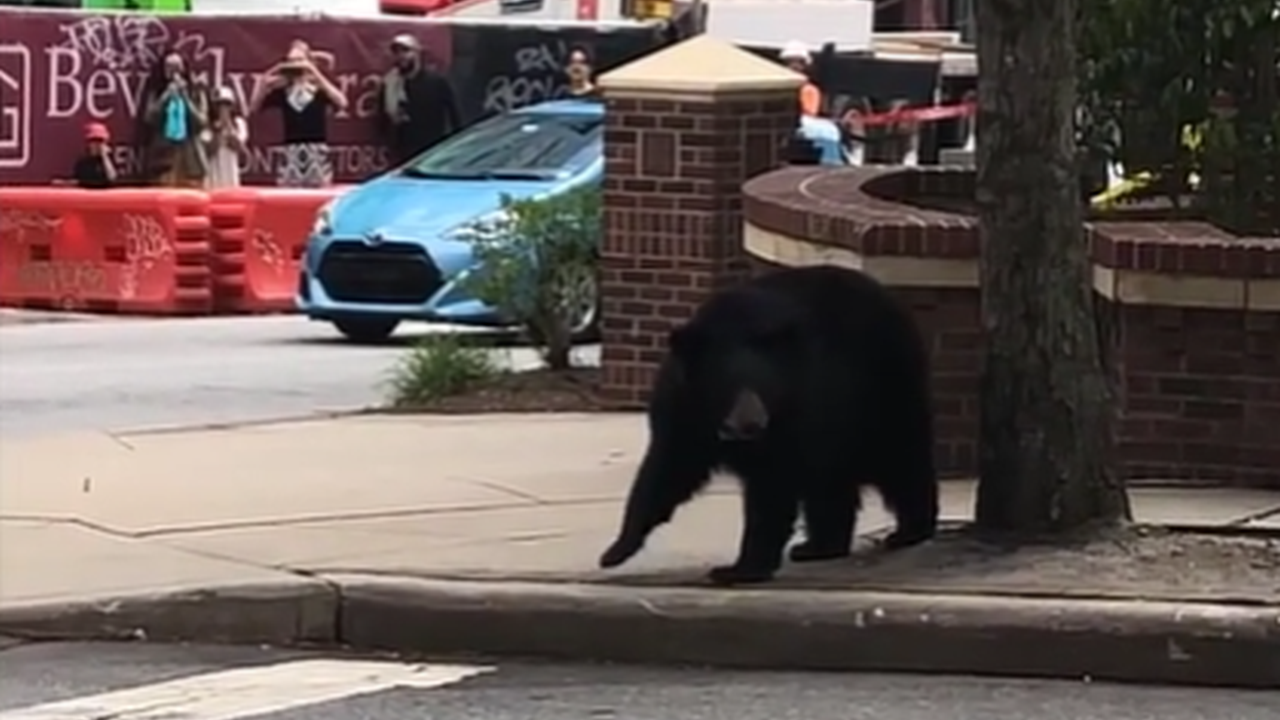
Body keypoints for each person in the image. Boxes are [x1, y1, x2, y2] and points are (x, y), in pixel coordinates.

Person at [250, 40, 348, 187]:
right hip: (291, 150)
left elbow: (342, 102)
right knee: (290, 195)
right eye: (291, 61)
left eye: (299, 60)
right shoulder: (283, 90)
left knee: (318, 194)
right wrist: (265, 81)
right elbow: (253, 108)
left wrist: (314, 71)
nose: (296, 65)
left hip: (317, 149)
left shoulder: (319, 87)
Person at [378, 34, 461, 166]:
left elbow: (455, 115)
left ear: (417, 54)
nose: (401, 56)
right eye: (396, 52)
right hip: (403, 153)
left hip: (433, 151)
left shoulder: (436, 82)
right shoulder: (390, 83)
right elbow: (382, 119)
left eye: (405, 51)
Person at [140, 49, 208, 187]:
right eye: (169, 67)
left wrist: (185, 98)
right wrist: (166, 97)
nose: (174, 72)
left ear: (184, 69)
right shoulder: (156, 91)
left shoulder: (196, 92)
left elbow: (201, 123)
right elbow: (149, 118)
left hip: (190, 162)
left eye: (177, 67)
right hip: (164, 162)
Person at [201, 86, 249, 189]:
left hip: (230, 177)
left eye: (226, 105)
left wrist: (228, 126)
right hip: (213, 180)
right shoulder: (206, 125)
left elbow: (237, 146)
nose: (222, 109)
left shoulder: (239, 123)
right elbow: (208, 150)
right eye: (219, 105)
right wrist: (218, 130)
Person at [779, 41, 822, 117]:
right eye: (790, 62)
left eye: (799, 62)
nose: (794, 66)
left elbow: (810, 115)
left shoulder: (810, 90)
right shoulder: (779, 89)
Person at [69, 123, 117, 189]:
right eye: (93, 141)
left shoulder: (112, 159)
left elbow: (111, 179)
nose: (96, 145)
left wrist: (104, 157)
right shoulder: (83, 162)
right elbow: (79, 182)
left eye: (100, 141)